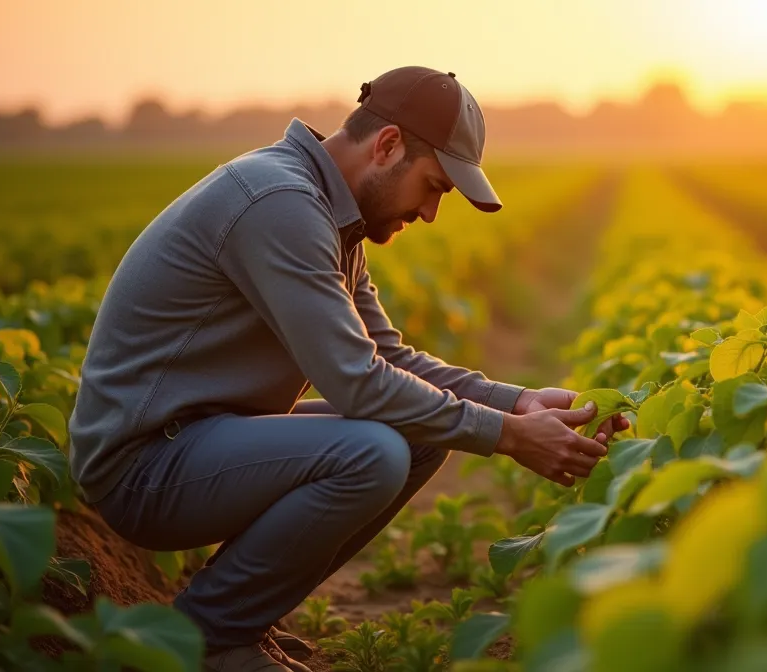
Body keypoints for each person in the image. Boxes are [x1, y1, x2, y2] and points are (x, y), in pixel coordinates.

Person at [67, 65, 628, 671]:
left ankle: (239, 617)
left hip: (201, 441)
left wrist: (515, 402)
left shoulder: (330, 216)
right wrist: (507, 437)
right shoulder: (280, 203)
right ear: (387, 145)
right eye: (434, 186)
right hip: (143, 465)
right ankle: (209, 636)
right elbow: (355, 381)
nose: (433, 213)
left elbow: (389, 357)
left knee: (416, 435)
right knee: (373, 451)